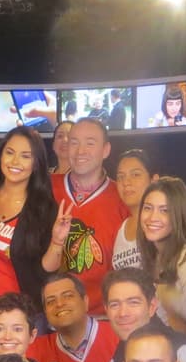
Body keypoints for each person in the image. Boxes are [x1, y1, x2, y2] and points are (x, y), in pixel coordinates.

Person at [47, 118, 131, 313]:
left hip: (105, 317)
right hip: (52, 315)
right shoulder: (45, 187)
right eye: (74, 142)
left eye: (90, 143)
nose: (80, 151)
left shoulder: (123, 197)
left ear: (106, 150)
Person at [0, 126, 64, 313]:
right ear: (0, 155)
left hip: (21, 312)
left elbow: (45, 271)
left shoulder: (44, 207)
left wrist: (57, 242)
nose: (15, 161)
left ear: (36, 163)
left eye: (25, 156)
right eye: (9, 153)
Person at [136, 178, 186, 345]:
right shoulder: (158, 256)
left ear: (179, 216)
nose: (153, 217)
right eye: (148, 208)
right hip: (181, 351)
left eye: (164, 210)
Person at [112, 149, 156, 272]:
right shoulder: (122, 228)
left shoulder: (164, 223)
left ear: (153, 180)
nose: (126, 182)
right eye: (120, 177)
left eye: (135, 175)